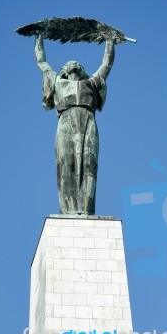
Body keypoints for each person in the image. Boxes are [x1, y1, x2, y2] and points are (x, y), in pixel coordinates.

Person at [35, 35, 115, 214]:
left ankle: (86, 208)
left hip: (87, 119)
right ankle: (68, 209)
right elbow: (42, 62)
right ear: (64, 70)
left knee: (88, 163)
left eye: (78, 62)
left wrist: (110, 41)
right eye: (70, 62)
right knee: (66, 163)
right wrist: (39, 38)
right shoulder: (57, 81)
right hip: (66, 120)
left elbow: (106, 65)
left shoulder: (91, 83)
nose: (74, 62)